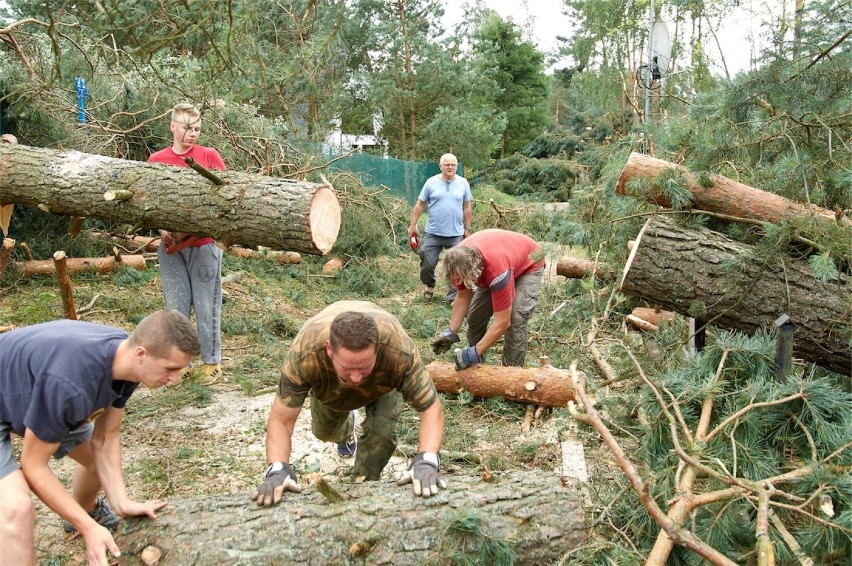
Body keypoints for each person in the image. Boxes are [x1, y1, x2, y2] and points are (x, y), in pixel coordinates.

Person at [0, 310, 200, 566]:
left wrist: (122, 501)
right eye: (170, 369)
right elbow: (34, 466)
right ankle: (83, 521)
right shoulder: (71, 385)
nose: (174, 379)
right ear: (141, 354)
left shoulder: (127, 361)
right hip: (33, 391)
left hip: (35, 392)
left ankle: (87, 510)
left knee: (98, 464)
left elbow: (105, 438)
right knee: (17, 510)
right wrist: (87, 529)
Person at [251, 300, 446, 505]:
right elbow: (281, 420)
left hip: (382, 384)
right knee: (324, 432)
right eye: (348, 368)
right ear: (329, 350)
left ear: (377, 349)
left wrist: (427, 460)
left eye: (363, 367)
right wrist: (277, 469)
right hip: (330, 386)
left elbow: (430, 408)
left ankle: (361, 490)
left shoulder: (398, 351)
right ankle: (346, 432)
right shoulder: (305, 354)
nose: (355, 378)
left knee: (382, 434)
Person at [148, 102, 226, 386]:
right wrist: (161, 227)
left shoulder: (209, 156)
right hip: (170, 249)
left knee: (207, 306)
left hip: (204, 245)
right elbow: (149, 201)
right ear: (172, 126)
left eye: (197, 129)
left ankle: (211, 363)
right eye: (186, 128)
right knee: (176, 307)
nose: (192, 134)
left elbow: (225, 199)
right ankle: (180, 363)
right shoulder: (157, 159)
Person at [431, 229, 545, 369]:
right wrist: (450, 333)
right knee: (474, 318)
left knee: (516, 318)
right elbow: (462, 296)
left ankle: (511, 372)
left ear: (474, 270)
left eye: (461, 278)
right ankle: (477, 366)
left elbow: (503, 322)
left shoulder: (496, 272)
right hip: (503, 260)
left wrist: (474, 352)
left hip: (530, 261)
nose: (458, 281)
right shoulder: (457, 263)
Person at [408, 153, 472, 302]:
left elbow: (467, 206)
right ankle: (429, 285)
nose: (450, 167)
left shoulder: (463, 183)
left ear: (457, 166)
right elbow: (420, 204)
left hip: (455, 233)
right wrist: (412, 225)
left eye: (453, 165)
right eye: (447, 164)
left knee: (456, 265)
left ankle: (453, 297)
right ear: (440, 166)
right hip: (433, 232)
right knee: (427, 262)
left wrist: (467, 229)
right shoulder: (431, 182)